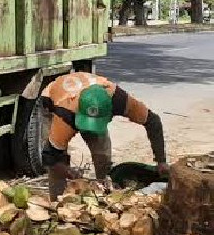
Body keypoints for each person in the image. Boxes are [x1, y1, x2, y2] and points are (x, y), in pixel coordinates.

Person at [38, 71, 169, 200]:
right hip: (53, 101)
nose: (90, 130)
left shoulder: (119, 99)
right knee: (56, 168)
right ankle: (56, 202)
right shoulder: (64, 116)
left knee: (102, 156)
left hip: (84, 99)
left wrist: (161, 160)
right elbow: (50, 158)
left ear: (110, 111)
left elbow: (153, 121)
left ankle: (103, 192)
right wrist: (69, 172)